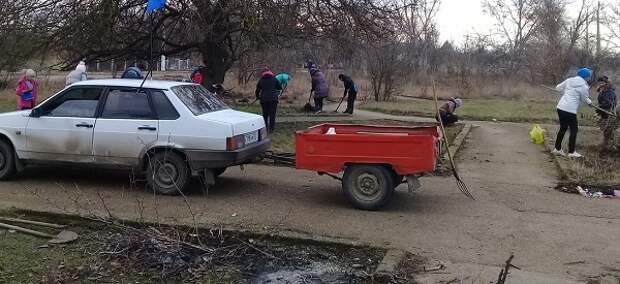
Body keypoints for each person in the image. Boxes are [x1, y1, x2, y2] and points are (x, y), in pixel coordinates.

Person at [552, 67, 594, 158]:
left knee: (563, 128)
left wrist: (565, 91)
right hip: (570, 110)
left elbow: (558, 88)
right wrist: (590, 103)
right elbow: (584, 98)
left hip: (560, 107)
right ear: (585, 77)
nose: (589, 78)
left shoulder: (569, 80)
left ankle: (557, 149)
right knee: (574, 129)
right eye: (588, 76)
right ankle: (572, 152)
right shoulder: (584, 86)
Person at [595, 76, 618, 149]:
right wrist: (599, 109)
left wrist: (600, 108)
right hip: (604, 113)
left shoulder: (610, 92)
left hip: (609, 114)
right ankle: (607, 145)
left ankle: (610, 146)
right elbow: (601, 100)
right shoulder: (602, 91)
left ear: (605, 83)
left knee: (608, 131)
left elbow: (610, 104)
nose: (600, 83)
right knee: (605, 130)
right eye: (599, 82)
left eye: (601, 82)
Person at [255, 68, 282, 132]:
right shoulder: (274, 79)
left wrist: (258, 97)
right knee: (272, 114)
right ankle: (272, 129)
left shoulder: (261, 80)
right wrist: (277, 93)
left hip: (264, 100)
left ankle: (265, 128)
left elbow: (257, 90)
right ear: (270, 72)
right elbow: (279, 87)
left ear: (263, 73)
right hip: (273, 99)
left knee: (265, 114)